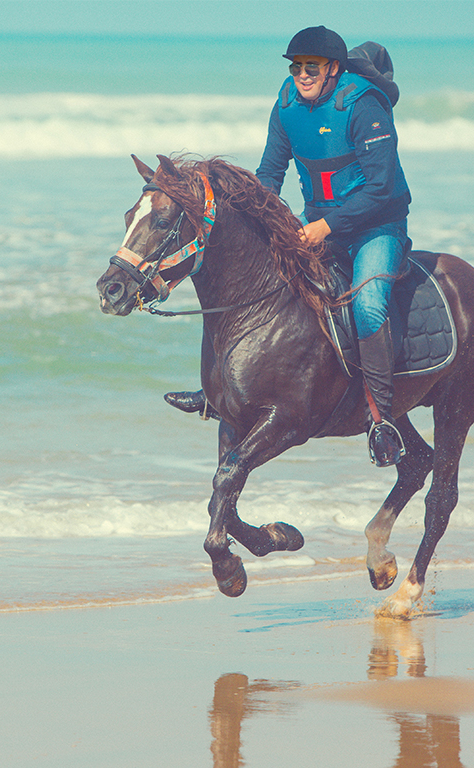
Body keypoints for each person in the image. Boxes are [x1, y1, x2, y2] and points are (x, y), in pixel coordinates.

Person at [165, 26, 411, 467]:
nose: (300, 74)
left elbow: (381, 188)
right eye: (295, 67)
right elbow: (270, 172)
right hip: (318, 221)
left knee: (368, 306)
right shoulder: (286, 103)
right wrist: (251, 218)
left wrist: (325, 226)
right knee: (252, 278)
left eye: (310, 67)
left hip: (377, 226)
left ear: (334, 69)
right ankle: (219, 392)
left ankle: (382, 420)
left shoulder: (365, 105)